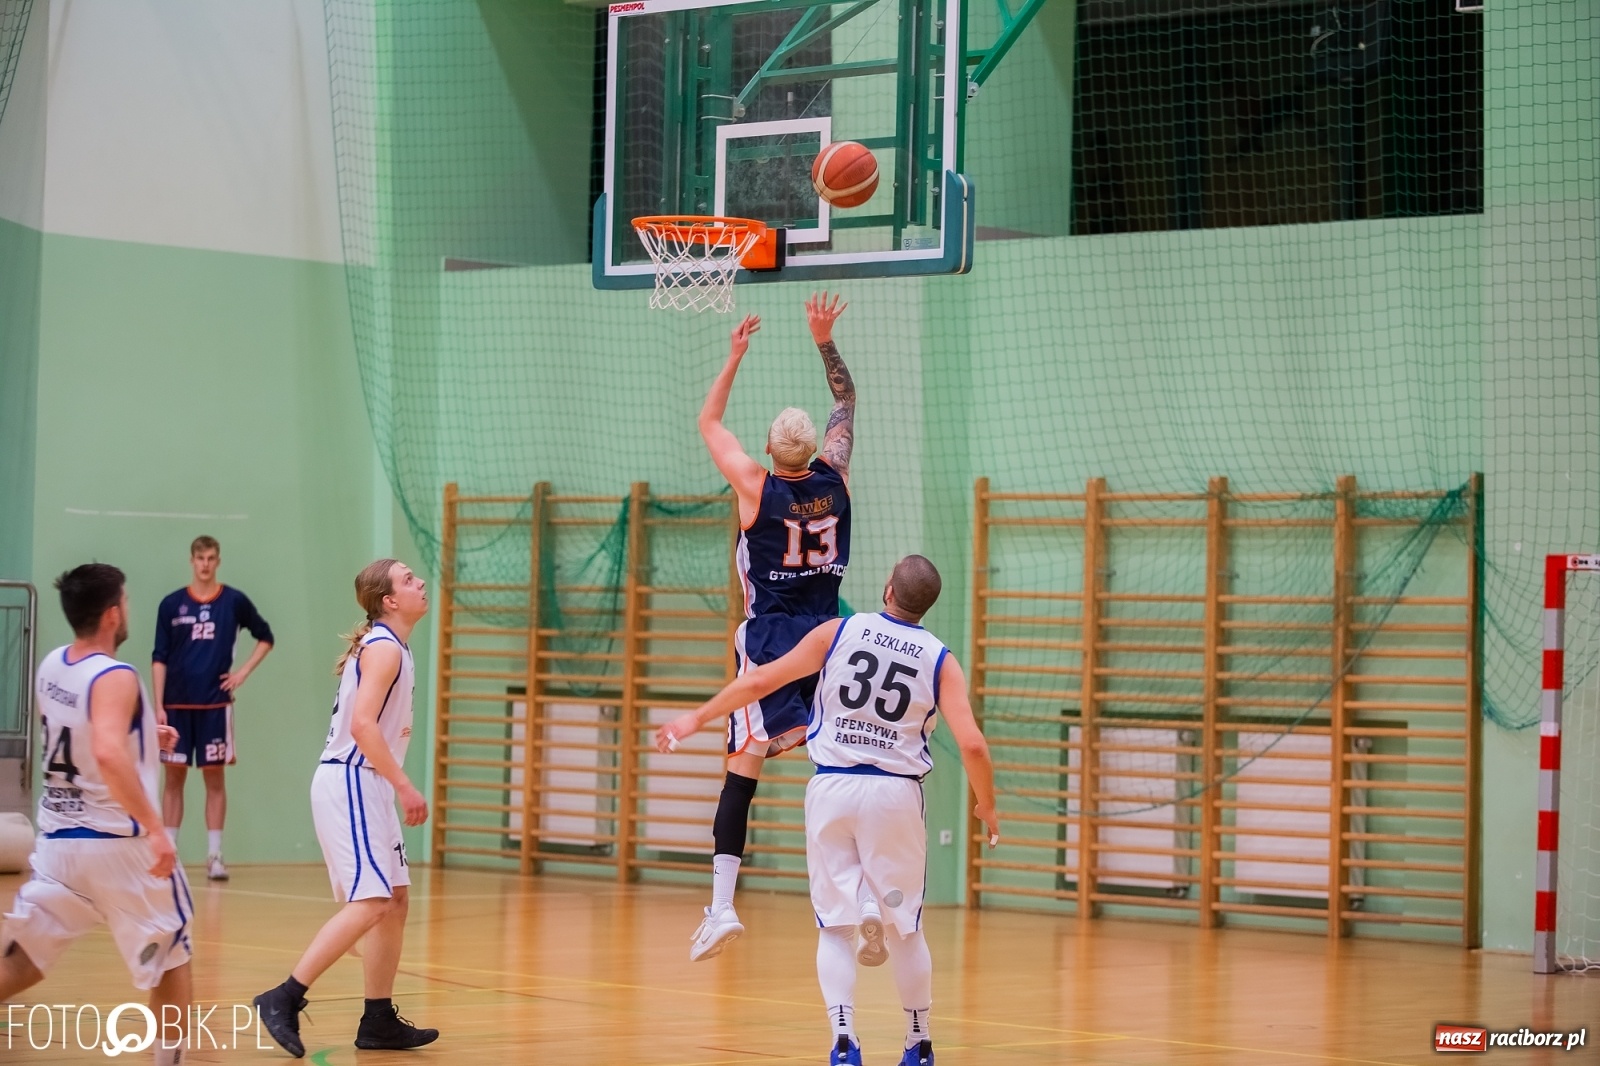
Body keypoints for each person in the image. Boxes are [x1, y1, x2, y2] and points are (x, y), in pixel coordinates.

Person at [658, 555, 1000, 1066]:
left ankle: (844, 1041)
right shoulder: (940, 658)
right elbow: (972, 744)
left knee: (833, 928)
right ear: (929, 605)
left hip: (832, 790)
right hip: (895, 796)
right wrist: (987, 808)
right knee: (904, 928)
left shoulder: (840, 631)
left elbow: (759, 682)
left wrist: (697, 717)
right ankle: (918, 1043)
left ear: (888, 589)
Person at [691, 292, 856, 961]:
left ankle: (724, 907)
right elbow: (847, 401)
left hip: (770, 637)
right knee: (842, 765)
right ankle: (858, 897)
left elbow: (708, 421)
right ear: (817, 448)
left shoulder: (754, 486)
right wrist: (822, 340)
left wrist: (734, 356)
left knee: (742, 769)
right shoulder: (838, 477)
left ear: (767, 449)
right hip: (829, 636)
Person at [1, 564, 193, 1066]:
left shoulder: (52, 665)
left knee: (24, 960)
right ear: (112, 614)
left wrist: (145, 735)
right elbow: (106, 751)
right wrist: (156, 830)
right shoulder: (116, 675)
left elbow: (79, 734)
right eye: (125, 601)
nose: (127, 608)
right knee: (173, 955)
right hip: (117, 844)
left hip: (60, 844)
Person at [252, 559, 437, 1058]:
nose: (420, 582)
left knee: (394, 900)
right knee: (373, 901)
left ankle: (378, 1020)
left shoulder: (392, 645)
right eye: (407, 579)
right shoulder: (382, 649)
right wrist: (404, 786)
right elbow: (362, 726)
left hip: (368, 782)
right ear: (389, 601)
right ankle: (284, 997)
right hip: (353, 780)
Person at [153, 535, 274, 881]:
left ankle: (215, 855)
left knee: (214, 779)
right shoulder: (171, 605)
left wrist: (243, 673)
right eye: (199, 558)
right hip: (175, 705)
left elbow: (266, 636)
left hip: (214, 705)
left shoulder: (233, 601)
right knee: (173, 778)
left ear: (218, 561)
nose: (205, 564)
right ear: (191, 561)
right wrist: (158, 704)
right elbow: (158, 656)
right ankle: (170, 854)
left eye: (210, 558)